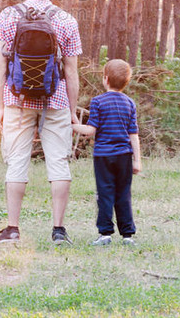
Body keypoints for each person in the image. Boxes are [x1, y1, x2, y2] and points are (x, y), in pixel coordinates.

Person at [0, 0, 82, 245]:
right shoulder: (66, 19)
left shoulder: (7, 16)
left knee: (17, 162)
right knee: (58, 162)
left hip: (16, 98)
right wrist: (72, 110)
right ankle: (58, 230)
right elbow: (70, 71)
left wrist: (0, 107)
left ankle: (13, 229)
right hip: (55, 99)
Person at [72, 58, 141, 246]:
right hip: (125, 156)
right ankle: (127, 235)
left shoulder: (98, 102)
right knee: (123, 193)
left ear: (105, 79)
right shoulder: (130, 103)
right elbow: (133, 134)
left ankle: (105, 234)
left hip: (103, 156)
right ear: (126, 82)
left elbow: (91, 130)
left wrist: (73, 126)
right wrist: (137, 161)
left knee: (105, 193)